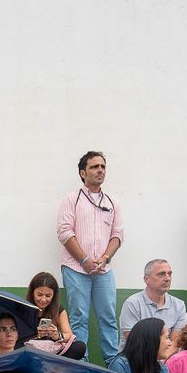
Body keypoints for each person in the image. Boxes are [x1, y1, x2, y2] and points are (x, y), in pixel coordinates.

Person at [56, 150, 124, 359]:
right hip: (76, 268)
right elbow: (65, 232)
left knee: (109, 318)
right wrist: (84, 260)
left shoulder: (113, 201)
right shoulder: (71, 199)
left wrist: (104, 259)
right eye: (95, 167)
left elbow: (118, 234)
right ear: (83, 173)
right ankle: (81, 363)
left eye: (103, 166)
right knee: (78, 318)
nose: (100, 170)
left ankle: (113, 363)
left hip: (104, 269)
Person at [119, 259, 187, 341]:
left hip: (167, 353)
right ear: (146, 279)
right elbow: (134, 343)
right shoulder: (132, 303)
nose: (167, 278)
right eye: (161, 274)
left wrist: (165, 353)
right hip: (137, 353)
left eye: (169, 274)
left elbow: (175, 343)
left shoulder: (179, 305)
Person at [24, 272, 86, 359]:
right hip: (31, 350)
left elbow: (69, 335)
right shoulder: (24, 308)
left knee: (80, 347)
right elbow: (17, 337)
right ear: (32, 293)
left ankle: (53, 366)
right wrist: (36, 335)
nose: (43, 299)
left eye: (48, 296)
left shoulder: (58, 310)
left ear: (54, 295)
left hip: (53, 352)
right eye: (39, 295)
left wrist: (57, 335)